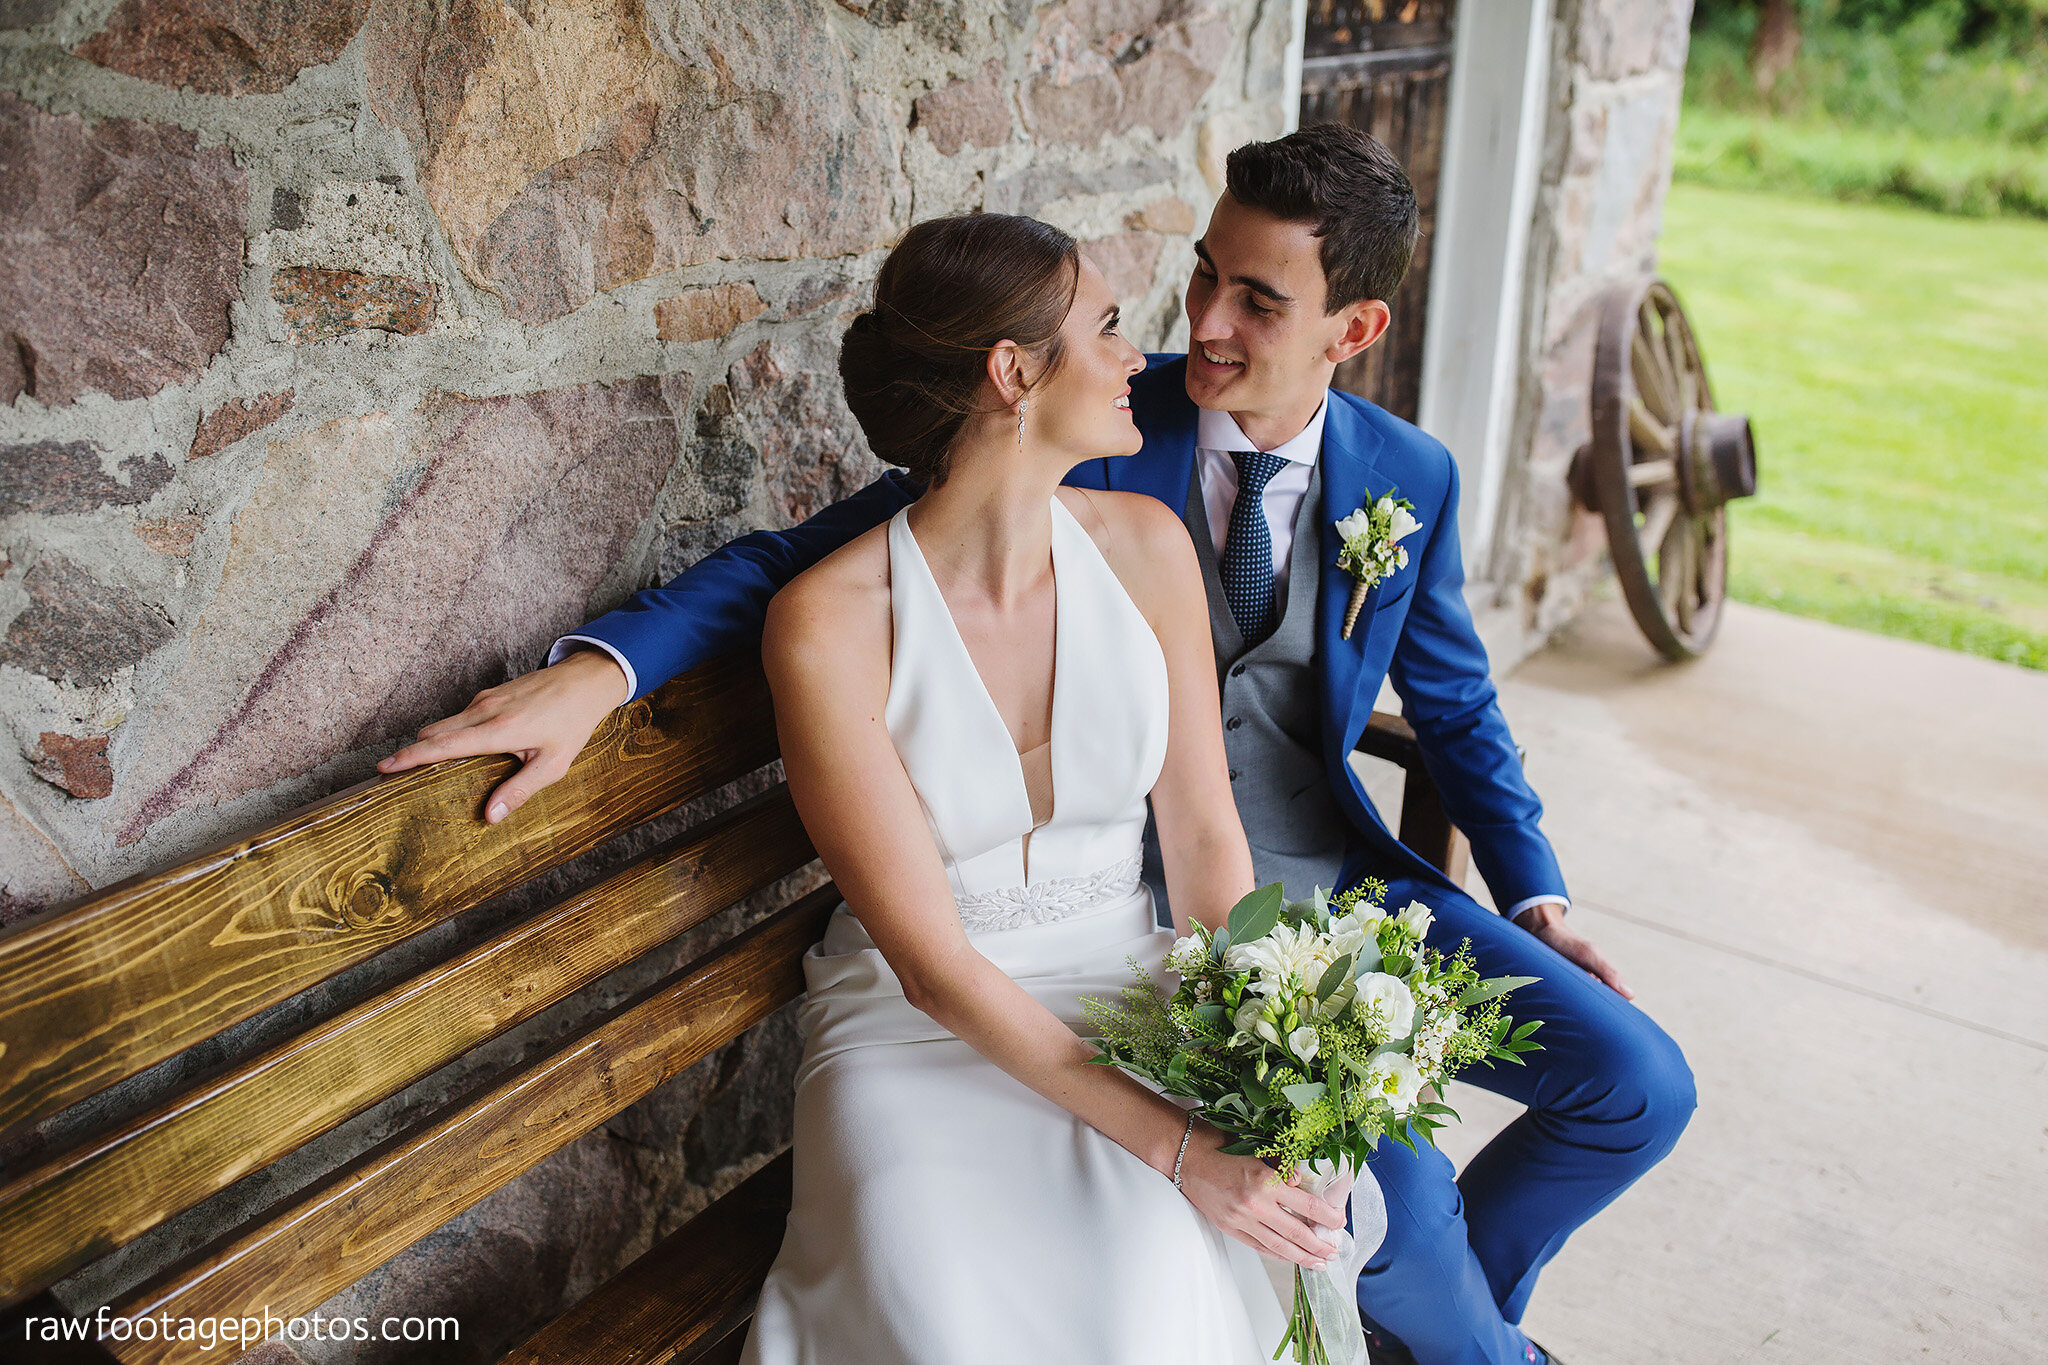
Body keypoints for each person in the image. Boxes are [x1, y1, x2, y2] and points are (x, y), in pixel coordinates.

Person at [384, 126, 1696, 1365]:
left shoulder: (1381, 477)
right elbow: (808, 576)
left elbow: (1432, 719)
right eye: (1182, 293)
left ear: (1354, 329)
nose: (1192, 334)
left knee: (1630, 1087)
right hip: (1003, 980)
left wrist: (1526, 896)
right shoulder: (1074, 465)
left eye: (1256, 300)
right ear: (1017, 373)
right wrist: (603, 671)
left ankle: (1468, 1333)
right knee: (1342, 1217)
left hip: (1261, 909)